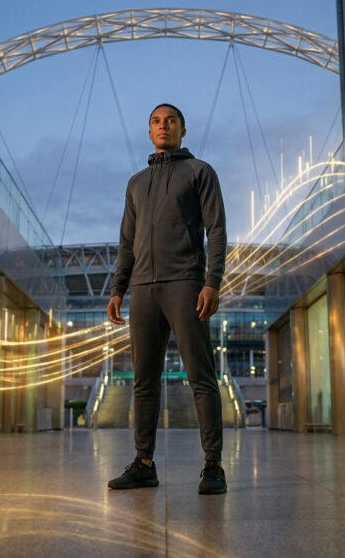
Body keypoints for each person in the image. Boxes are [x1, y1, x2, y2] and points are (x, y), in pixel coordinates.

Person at [106, 103, 228, 495]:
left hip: (185, 284)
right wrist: (117, 288)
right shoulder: (135, 183)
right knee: (144, 381)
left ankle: (213, 466)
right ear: (149, 132)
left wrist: (212, 282)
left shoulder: (199, 172)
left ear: (183, 130)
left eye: (171, 121)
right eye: (156, 122)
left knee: (201, 378)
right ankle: (144, 464)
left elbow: (217, 229)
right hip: (142, 289)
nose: (163, 126)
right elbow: (127, 241)